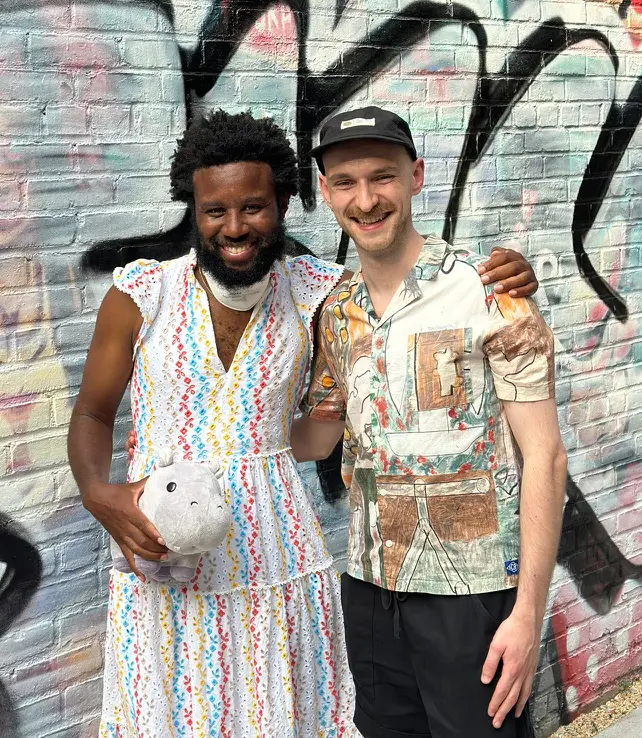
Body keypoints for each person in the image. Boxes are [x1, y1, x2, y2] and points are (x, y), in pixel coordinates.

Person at [68, 109, 539, 738]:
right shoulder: (140, 295)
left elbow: (396, 287)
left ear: (286, 202)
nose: (234, 227)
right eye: (215, 211)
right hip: (166, 558)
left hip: (280, 560)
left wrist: (503, 275)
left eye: (255, 207)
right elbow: (93, 413)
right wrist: (99, 494)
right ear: (194, 208)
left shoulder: (318, 293)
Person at [291, 106, 568, 738]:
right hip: (368, 591)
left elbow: (545, 457)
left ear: (416, 176)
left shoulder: (490, 292)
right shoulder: (336, 312)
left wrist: (527, 614)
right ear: (326, 192)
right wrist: (233, 424)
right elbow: (323, 435)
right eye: (345, 182)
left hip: (471, 596)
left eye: (382, 177)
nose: (366, 199)